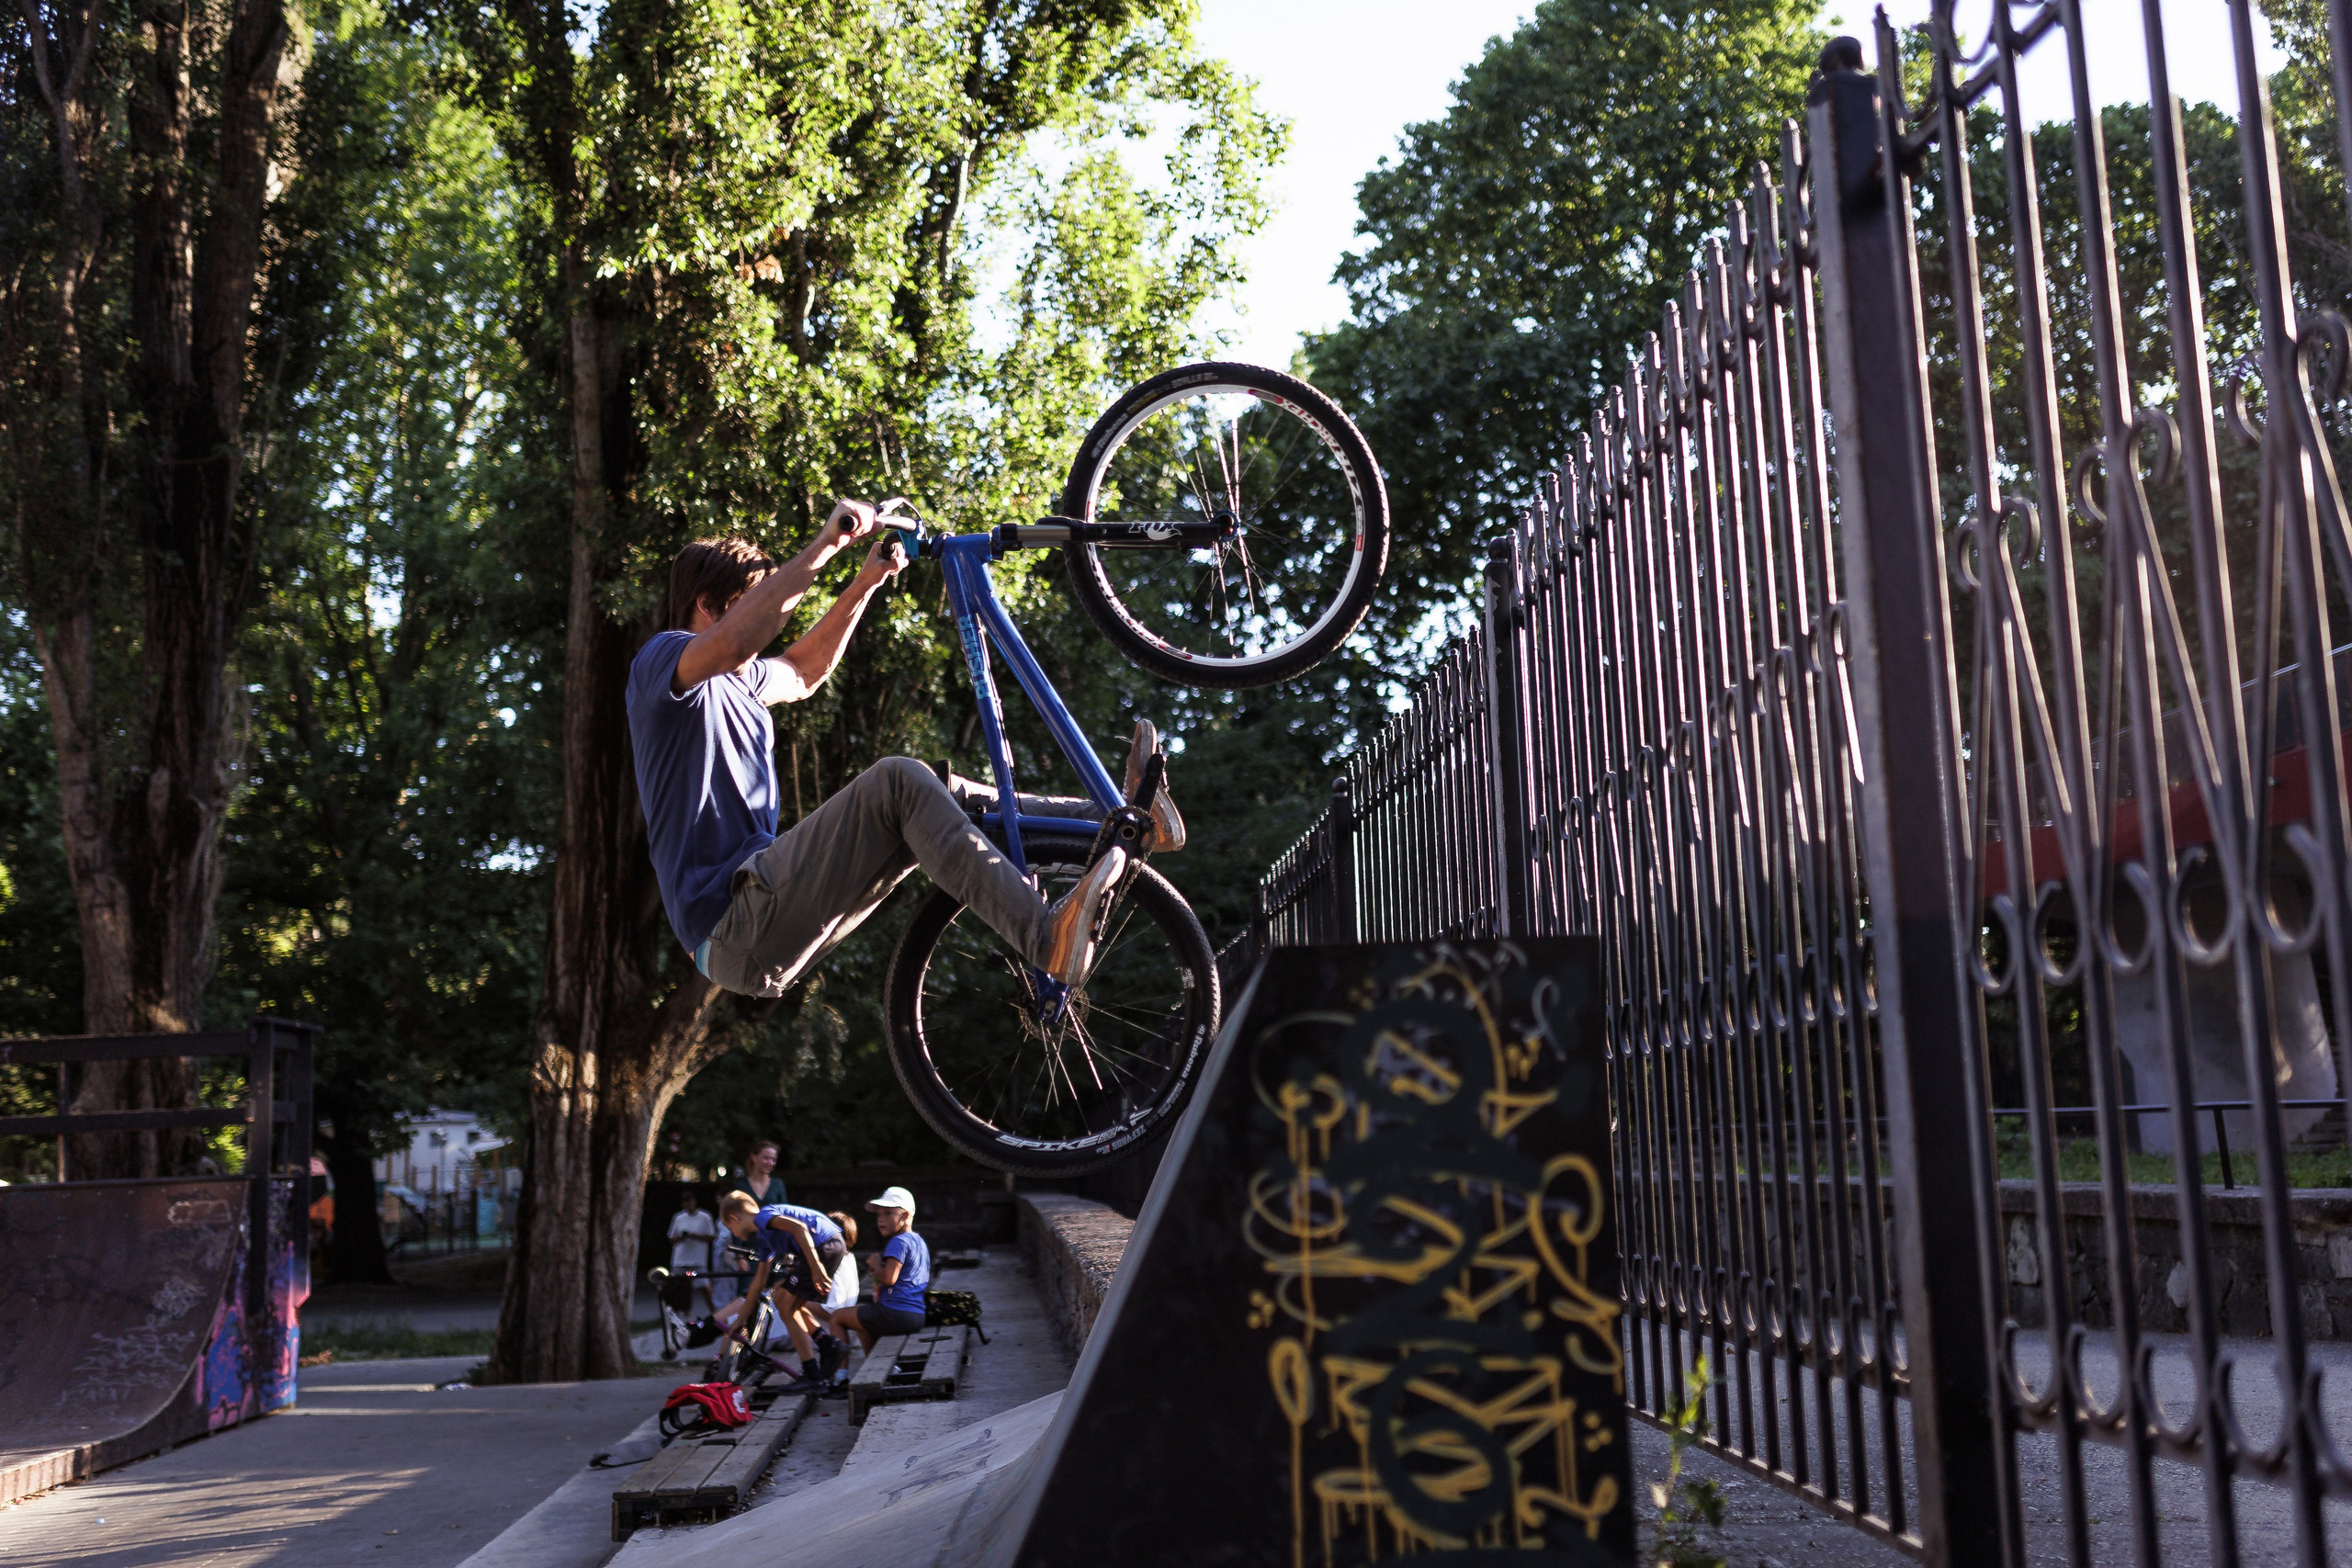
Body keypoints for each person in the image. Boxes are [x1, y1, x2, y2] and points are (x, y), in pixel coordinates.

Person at [622, 510, 1180, 1009]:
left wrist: (867, 580)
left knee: (939, 790)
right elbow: (741, 640)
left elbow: (803, 669)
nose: (774, 614)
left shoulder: (742, 683)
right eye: (755, 597)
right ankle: (1045, 937)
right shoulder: (662, 665)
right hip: (731, 921)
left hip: (759, 911)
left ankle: (1122, 824)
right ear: (707, 604)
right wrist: (827, 544)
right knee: (896, 782)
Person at [703, 1192, 850, 1393]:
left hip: (823, 1245)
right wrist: (742, 1320)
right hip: (828, 1244)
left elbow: (799, 1228)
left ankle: (814, 1373)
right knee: (783, 1299)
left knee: (786, 1307)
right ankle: (826, 1346)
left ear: (735, 1218)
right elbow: (759, 1282)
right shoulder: (765, 1238)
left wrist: (816, 1268)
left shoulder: (764, 1216)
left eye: (732, 1229)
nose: (735, 1235)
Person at [831, 1184, 929, 1352]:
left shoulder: (899, 1242)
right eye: (879, 1215)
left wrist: (876, 1263)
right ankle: (872, 1362)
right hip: (917, 1313)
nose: (881, 1219)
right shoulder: (918, 1241)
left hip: (896, 1313)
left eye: (888, 1213)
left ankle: (840, 1373)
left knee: (838, 1317)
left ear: (905, 1215)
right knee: (862, 1320)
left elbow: (889, 1278)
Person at [665, 1190, 718, 1316]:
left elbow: (711, 1236)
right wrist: (682, 1237)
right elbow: (671, 1238)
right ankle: (683, 1313)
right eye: (686, 1203)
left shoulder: (705, 1217)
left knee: (704, 1286)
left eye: (690, 1202)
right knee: (680, 1288)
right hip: (680, 1260)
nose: (688, 1205)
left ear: (695, 1202)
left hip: (697, 1260)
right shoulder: (678, 1218)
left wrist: (694, 1235)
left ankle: (716, 1313)